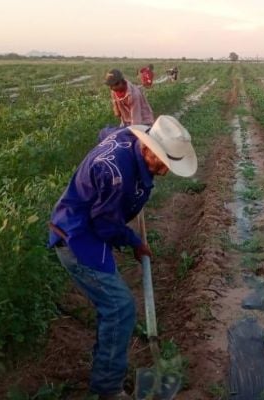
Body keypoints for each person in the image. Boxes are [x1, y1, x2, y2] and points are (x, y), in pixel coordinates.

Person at [47, 115, 198, 399]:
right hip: (77, 237)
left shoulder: (126, 139)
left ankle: (106, 364)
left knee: (114, 305)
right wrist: (135, 241)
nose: (165, 172)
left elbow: (105, 131)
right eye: (163, 163)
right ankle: (107, 388)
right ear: (148, 148)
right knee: (120, 307)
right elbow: (106, 225)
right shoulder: (118, 177)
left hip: (89, 229)